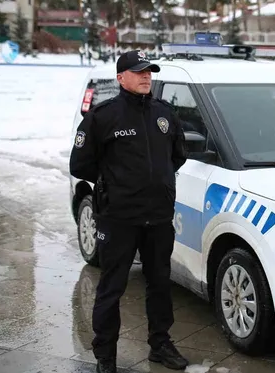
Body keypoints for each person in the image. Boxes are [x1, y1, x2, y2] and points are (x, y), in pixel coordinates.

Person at [70, 50, 189, 372]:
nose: (146, 76)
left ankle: (160, 345)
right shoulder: (103, 116)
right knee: (112, 288)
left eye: (149, 71)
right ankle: (105, 355)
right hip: (118, 218)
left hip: (158, 217)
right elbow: (80, 164)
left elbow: (177, 156)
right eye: (139, 72)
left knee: (159, 284)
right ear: (121, 78)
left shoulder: (164, 113)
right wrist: (116, 183)